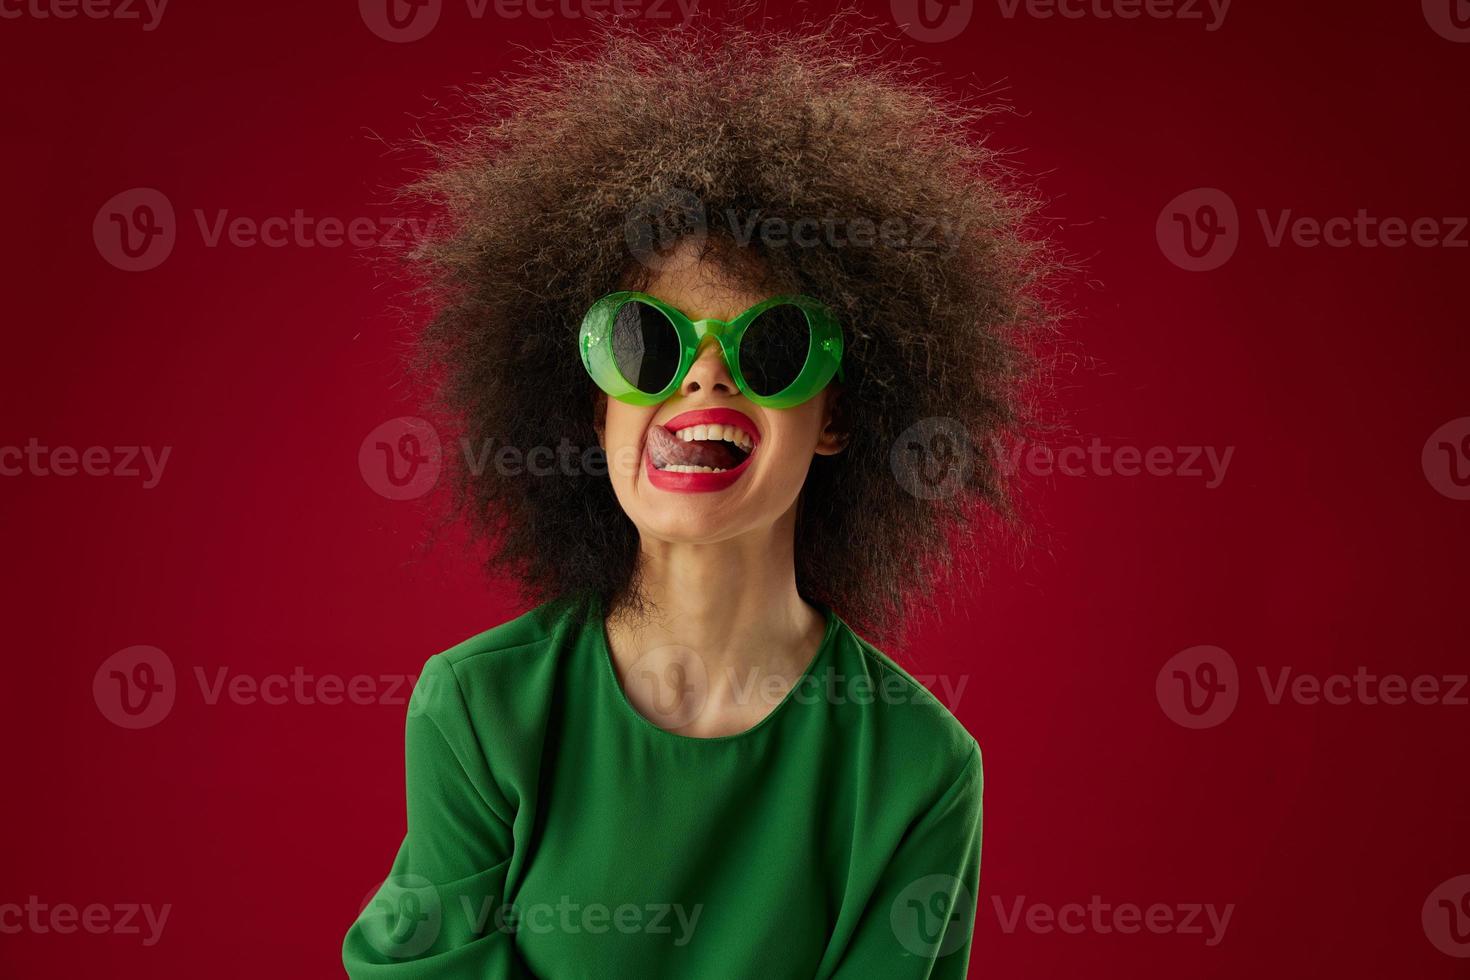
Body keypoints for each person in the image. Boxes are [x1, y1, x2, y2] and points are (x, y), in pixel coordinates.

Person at [345, 19, 1050, 979]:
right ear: (592, 407)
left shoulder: (917, 771)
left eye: (770, 349)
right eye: (645, 342)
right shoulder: (479, 708)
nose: (706, 379)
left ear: (837, 412)